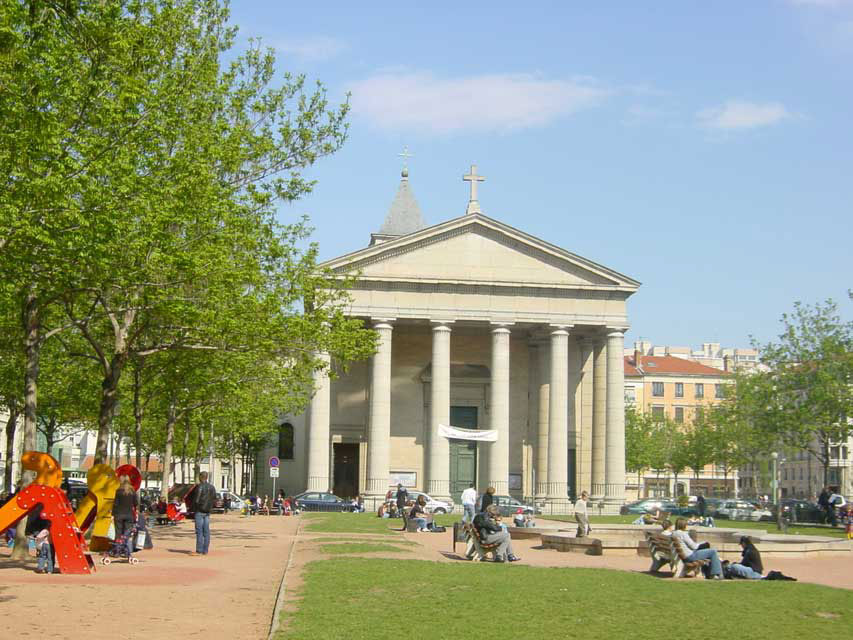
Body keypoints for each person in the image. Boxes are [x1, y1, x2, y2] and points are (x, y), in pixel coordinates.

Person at [190, 471, 216, 556]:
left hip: (200, 511)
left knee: (199, 531)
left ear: (201, 477)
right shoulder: (212, 487)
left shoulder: (199, 487)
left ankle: (199, 550)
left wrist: (193, 508)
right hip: (207, 511)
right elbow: (214, 499)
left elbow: (196, 500)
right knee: (206, 531)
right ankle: (205, 550)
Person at [112, 475, 138, 554]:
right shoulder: (132, 492)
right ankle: (126, 551)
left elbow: (115, 504)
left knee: (118, 533)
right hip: (129, 515)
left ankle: (117, 551)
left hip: (119, 515)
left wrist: (113, 514)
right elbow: (136, 503)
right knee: (127, 533)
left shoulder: (118, 491)